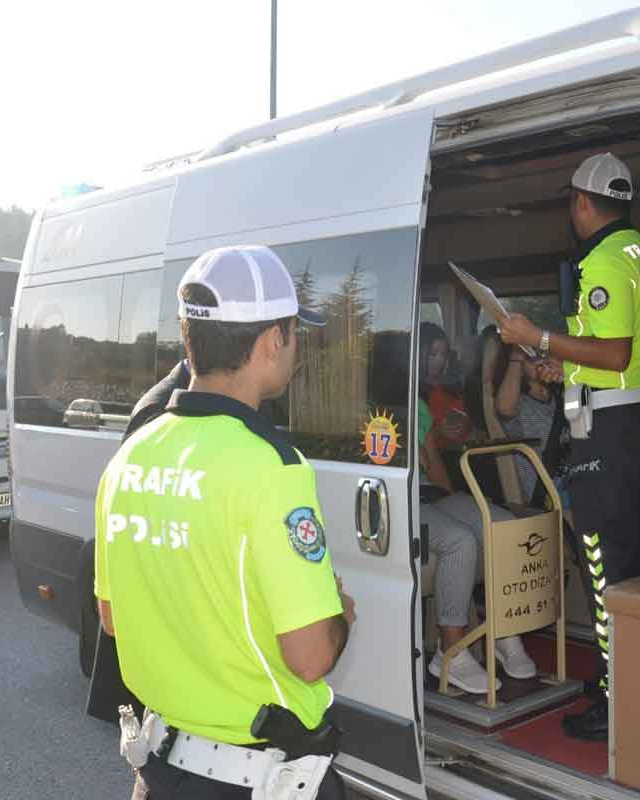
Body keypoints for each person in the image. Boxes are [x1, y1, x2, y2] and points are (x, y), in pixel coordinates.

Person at [94, 245, 353, 799]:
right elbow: (309, 659)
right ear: (271, 342)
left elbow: (114, 617)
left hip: (161, 770)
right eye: (293, 331)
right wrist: (339, 617)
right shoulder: (273, 467)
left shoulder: (129, 458)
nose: (294, 344)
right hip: (256, 778)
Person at [498, 152, 640, 741]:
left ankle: (614, 702)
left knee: (603, 568)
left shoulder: (603, 261)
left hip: (611, 437)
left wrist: (534, 335)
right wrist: (558, 365)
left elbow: (615, 354)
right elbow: (620, 355)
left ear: (582, 203)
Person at [416, 322, 539, 692]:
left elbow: (435, 459)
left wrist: (448, 498)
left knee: (502, 526)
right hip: (406, 495)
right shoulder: (402, 403)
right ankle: (450, 652)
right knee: (461, 540)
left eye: (442, 354)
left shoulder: (445, 395)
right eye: (431, 354)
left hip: (432, 491)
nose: (438, 362)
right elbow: (429, 452)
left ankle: (504, 633)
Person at [490, 335, 561, 505]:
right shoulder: (518, 404)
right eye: (531, 355)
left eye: (542, 353)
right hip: (547, 491)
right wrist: (517, 357)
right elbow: (505, 408)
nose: (538, 359)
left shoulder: (561, 394)